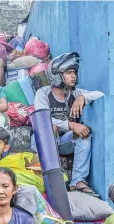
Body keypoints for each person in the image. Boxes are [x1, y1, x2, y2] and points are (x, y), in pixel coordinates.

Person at [33, 52, 104, 197]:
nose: (73, 76)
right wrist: (71, 125)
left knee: (84, 133)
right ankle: (51, 177)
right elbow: (43, 119)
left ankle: (77, 180)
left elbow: (101, 95)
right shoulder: (43, 93)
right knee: (51, 127)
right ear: (57, 74)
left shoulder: (75, 93)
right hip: (41, 144)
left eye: (74, 72)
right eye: (68, 72)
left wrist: (83, 97)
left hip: (63, 143)